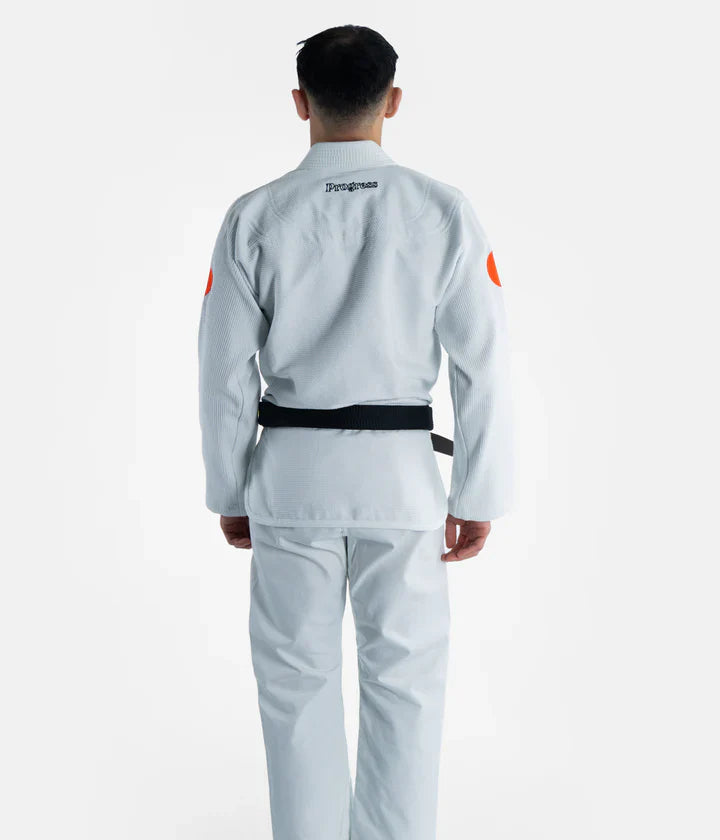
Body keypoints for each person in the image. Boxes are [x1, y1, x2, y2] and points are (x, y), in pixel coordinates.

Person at [197, 23, 513, 840]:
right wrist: (476, 491)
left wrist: (230, 489)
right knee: (406, 688)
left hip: (291, 481)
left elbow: (224, 370)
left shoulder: (255, 216)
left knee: (295, 687)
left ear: (300, 102)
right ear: (393, 102)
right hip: (401, 484)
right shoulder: (442, 212)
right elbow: (483, 363)